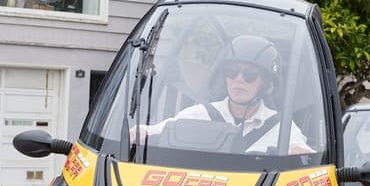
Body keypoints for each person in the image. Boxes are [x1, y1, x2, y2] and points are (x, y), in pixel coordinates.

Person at [133, 35, 313, 154]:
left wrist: (300, 153)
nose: (239, 79)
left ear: (264, 82)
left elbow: (306, 155)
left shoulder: (281, 128)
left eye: (249, 74)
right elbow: (158, 130)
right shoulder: (199, 115)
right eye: (232, 71)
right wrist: (138, 132)